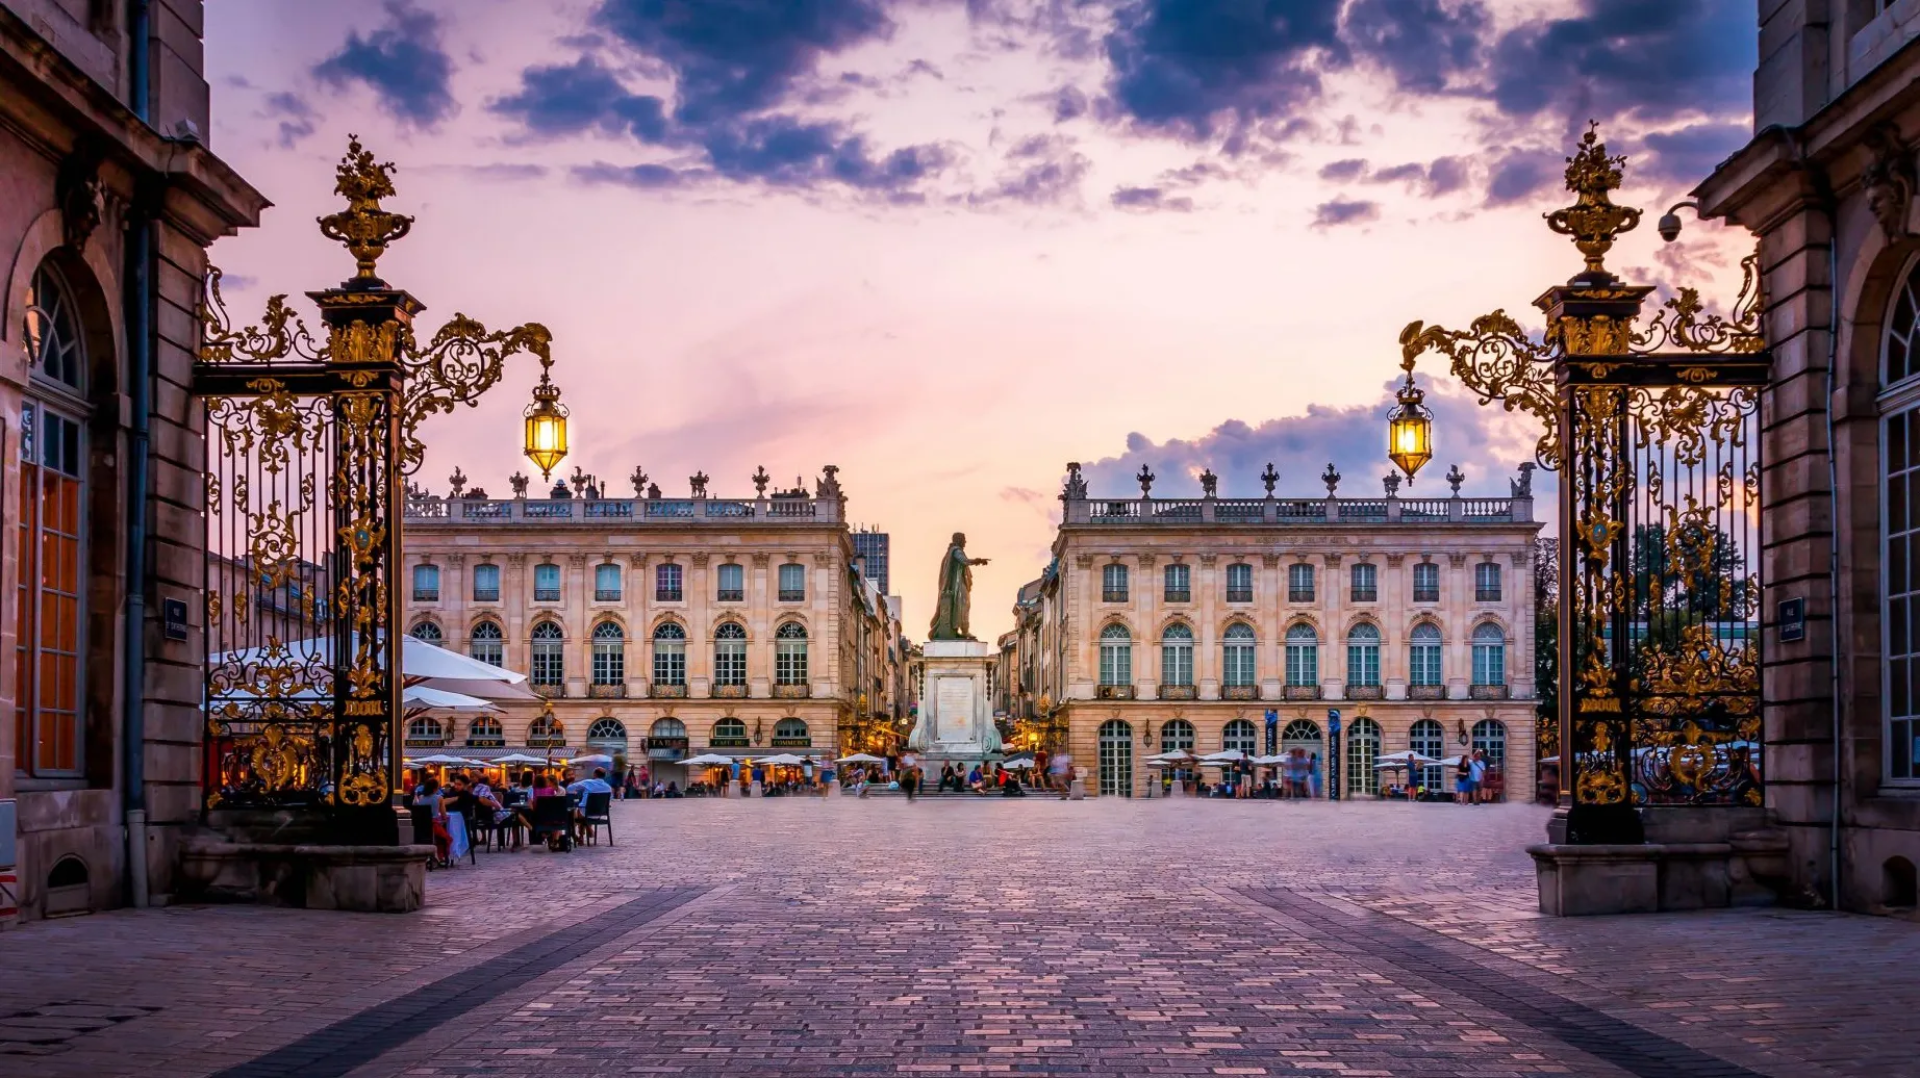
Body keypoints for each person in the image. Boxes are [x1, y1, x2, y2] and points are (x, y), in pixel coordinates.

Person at [567, 766, 616, 841]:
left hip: (585, 813)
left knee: (578, 812)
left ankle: (581, 836)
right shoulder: (608, 787)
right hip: (599, 813)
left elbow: (570, 788)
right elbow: (609, 801)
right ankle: (587, 830)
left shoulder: (588, 782)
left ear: (595, 775)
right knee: (586, 812)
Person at [411, 778, 451, 866]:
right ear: (435, 788)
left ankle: (434, 857)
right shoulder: (439, 798)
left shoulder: (421, 797)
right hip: (434, 826)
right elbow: (443, 815)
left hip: (422, 827)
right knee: (446, 838)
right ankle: (440, 857)